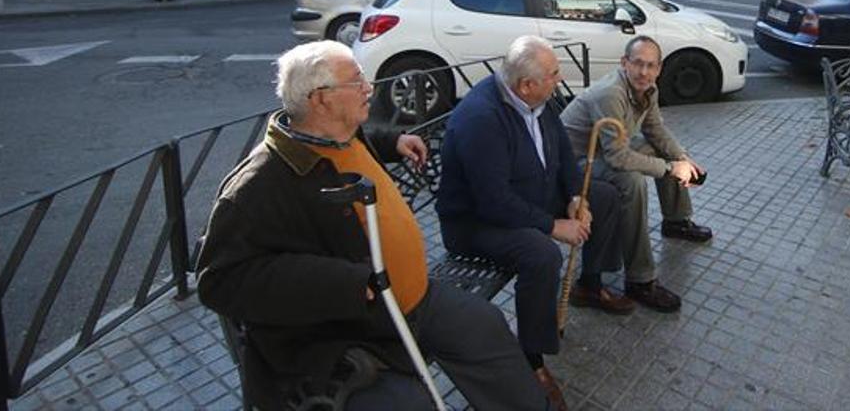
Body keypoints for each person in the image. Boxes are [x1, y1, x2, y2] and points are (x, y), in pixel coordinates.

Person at [197, 42, 547, 411]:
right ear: (321, 99)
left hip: (416, 298)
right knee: (408, 405)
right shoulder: (259, 184)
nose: (370, 88)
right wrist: (343, 282)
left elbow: (356, 144)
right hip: (351, 326)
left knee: (485, 325)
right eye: (357, 81)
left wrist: (392, 140)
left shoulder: (338, 131)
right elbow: (220, 281)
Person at [437, 36, 632, 411]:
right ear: (526, 85)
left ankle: (590, 284)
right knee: (541, 254)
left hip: (525, 198)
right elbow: (492, 202)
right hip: (476, 224)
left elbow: (561, 150)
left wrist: (576, 196)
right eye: (554, 74)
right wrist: (553, 226)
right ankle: (531, 361)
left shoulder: (535, 99)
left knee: (603, 197)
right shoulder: (482, 119)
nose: (559, 79)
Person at [561, 36, 712, 314]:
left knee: (664, 153)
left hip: (603, 150)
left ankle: (676, 220)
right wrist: (670, 169)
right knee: (631, 180)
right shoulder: (611, 93)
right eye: (638, 64)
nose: (644, 72)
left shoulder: (647, 88)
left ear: (659, 69)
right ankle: (640, 280)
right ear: (624, 63)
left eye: (650, 65)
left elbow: (655, 129)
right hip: (574, 163)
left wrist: (681, 157)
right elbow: (619, 158)